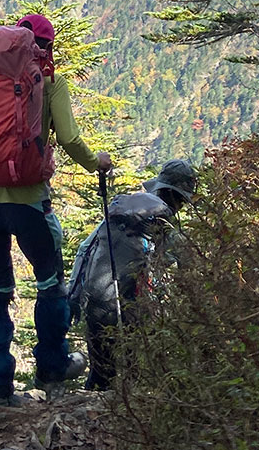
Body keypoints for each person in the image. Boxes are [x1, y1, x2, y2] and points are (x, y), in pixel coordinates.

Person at [0, 12, 112, 404]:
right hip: (29, 203)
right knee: (48, 283)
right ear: (48, 46)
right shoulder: (50, 83)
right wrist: (98, 163)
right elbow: (71, 139)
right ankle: (52, 368)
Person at [68, 158, 197, 391]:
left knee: (101, 373)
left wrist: (73, 297)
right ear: (177, 197)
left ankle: (91, 414)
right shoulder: (163, 222)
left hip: (94, 299)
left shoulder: (123, 210)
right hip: (127, 308)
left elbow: (85, 249)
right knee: (131, 377)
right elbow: (186, 267)